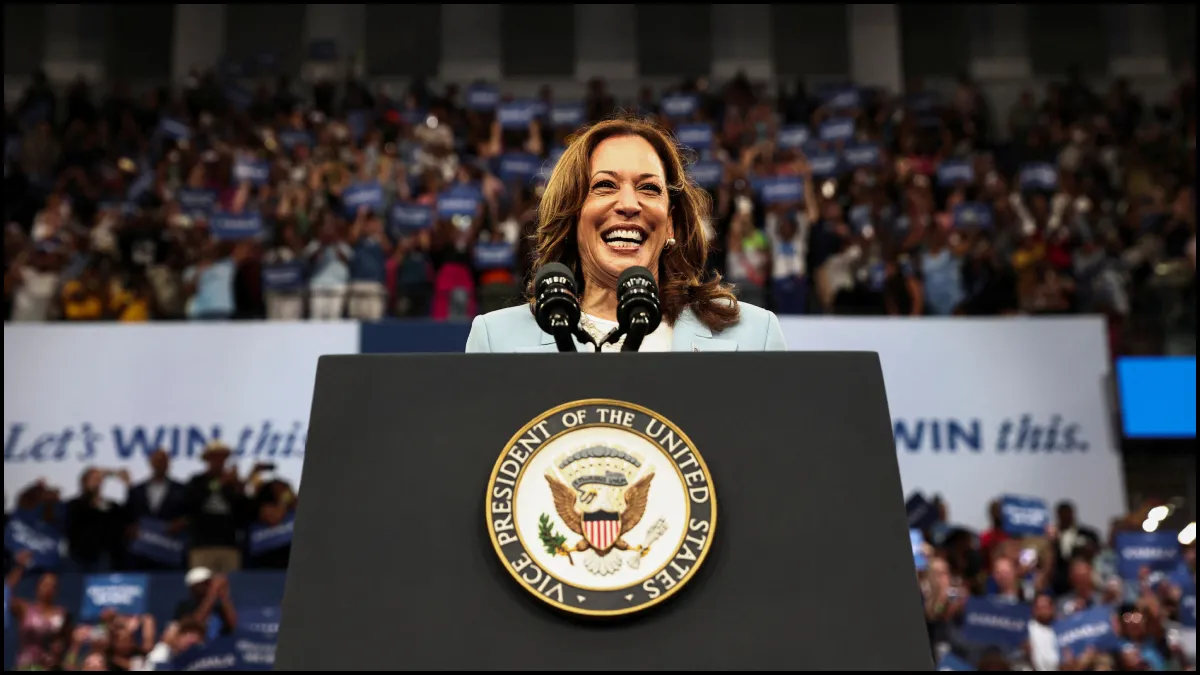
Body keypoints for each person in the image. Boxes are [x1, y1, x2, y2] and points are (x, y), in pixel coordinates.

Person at [465, 116, 787, 353]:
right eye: (605, 185)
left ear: (671, 223)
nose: (629, 205)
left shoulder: (754, 336)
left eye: (649, 188)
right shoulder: (497, 340)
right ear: (571, 216)